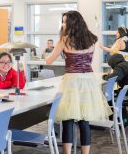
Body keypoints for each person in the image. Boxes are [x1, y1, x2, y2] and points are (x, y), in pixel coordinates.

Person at [46, 11, 111, 154]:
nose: (62, 25)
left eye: (64, 22)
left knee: (68, 120)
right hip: (88, 80)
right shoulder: (92, 39)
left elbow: (48, 60)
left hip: (72, 80)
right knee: (84, 120)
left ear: (72, 23)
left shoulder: (64, 40)